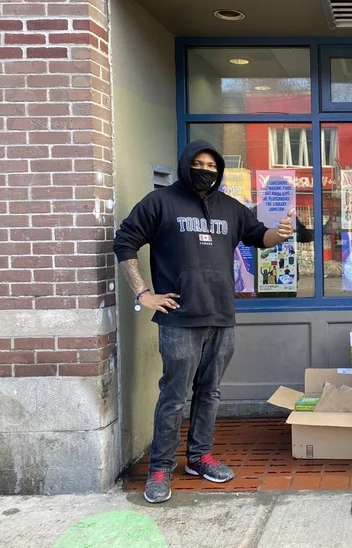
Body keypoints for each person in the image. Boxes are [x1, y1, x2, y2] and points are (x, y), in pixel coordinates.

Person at [113, 139, 294, 504]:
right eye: (199, 163)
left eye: (213, 166)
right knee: (174, 397)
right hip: (179, 319)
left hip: (222, 316)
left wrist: (281, 234)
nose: (206, 170)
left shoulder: (230, 207)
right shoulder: (160, 202)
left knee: (209, 393)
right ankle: (161, 468)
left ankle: (199, 457)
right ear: (185, 164)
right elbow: (125, 242)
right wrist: (142, 293)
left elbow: (258, 236)